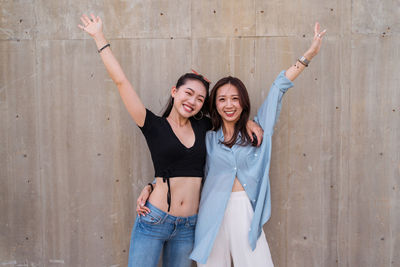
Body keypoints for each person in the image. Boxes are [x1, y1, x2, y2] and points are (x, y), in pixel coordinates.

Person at [78, 14, 263, 267]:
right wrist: (99, 37)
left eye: (200, 98)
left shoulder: (205, 126)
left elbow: (229, 114)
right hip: (154, 219)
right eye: (188, 93)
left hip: (189, 226)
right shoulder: (152, 125)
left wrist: (249, 122)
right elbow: (121, 82)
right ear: (174, 92)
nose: (193, 101)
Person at [189, 23, 326, 266]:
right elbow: (188, 109)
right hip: (211, 213)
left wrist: (310, 54)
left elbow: (278, 88)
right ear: (215, 105)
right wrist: (200, 81)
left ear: (243, 102)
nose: (228, 105)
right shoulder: (207, 136)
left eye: (234, 98)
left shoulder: (258, 131)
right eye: (222, 99)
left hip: (245, 211)